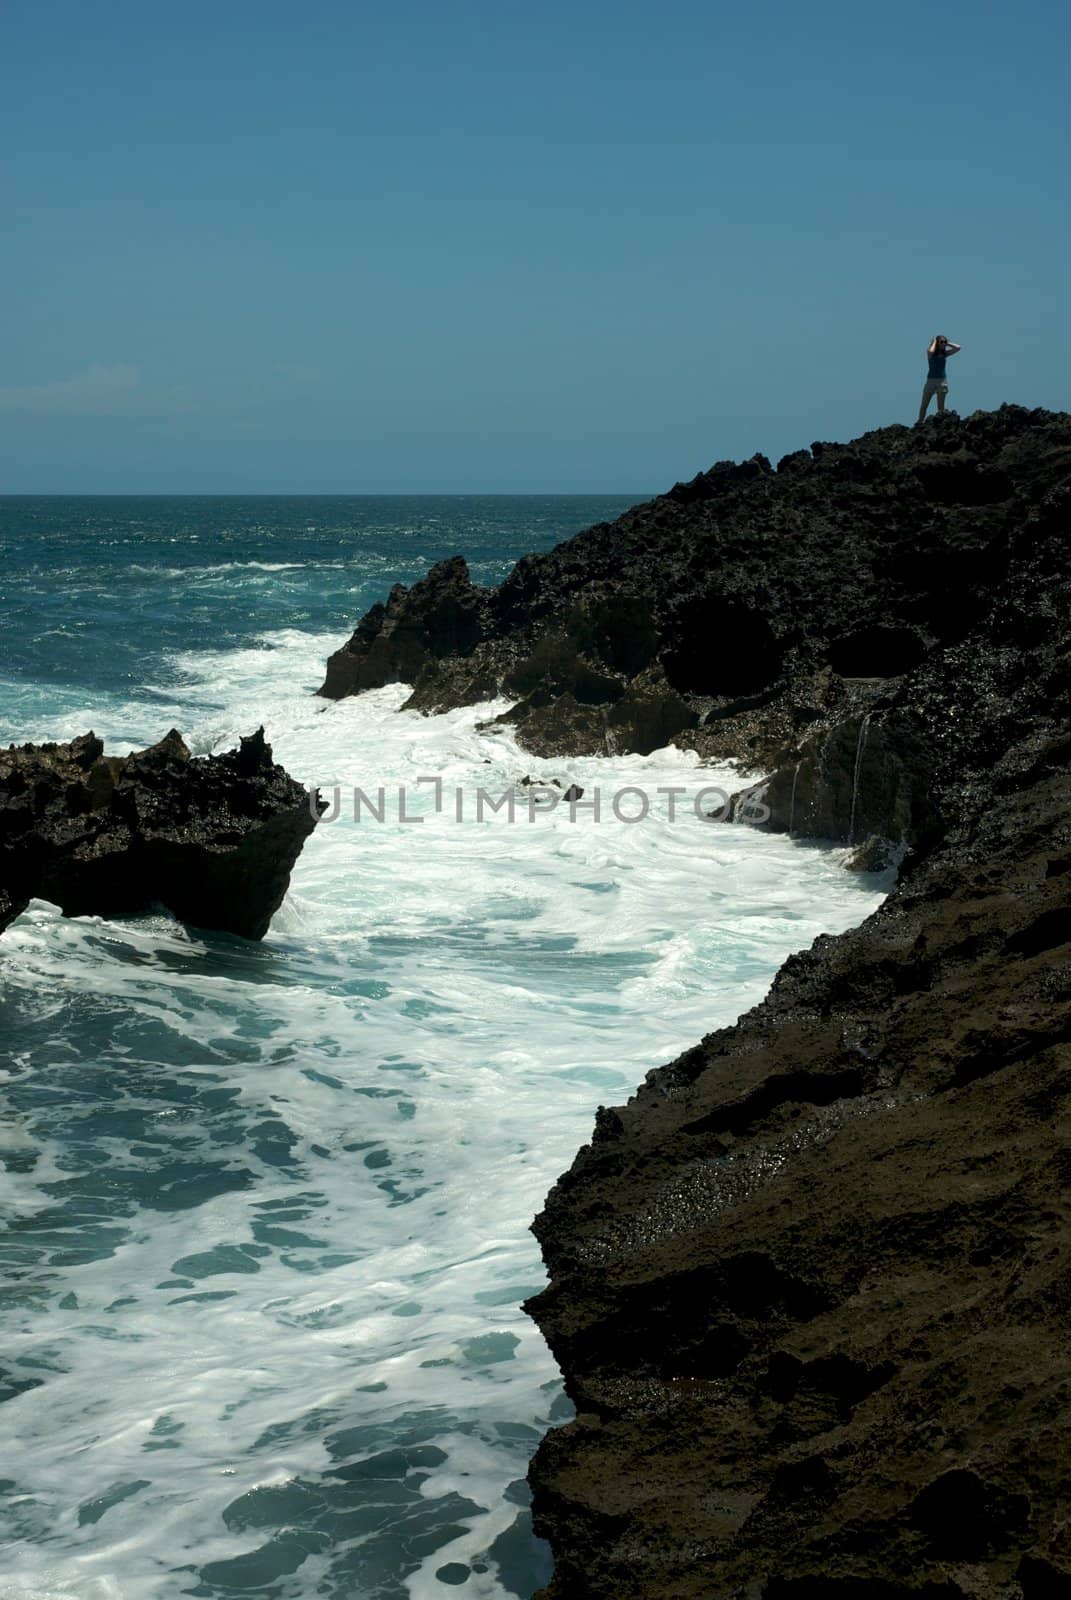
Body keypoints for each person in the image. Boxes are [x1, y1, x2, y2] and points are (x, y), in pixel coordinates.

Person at [917, 334, 961, 422]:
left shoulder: (945, 354)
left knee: (940, 406)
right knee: (924, 404)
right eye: (941, 342)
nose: (943, 343)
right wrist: (934, 342)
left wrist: (947, 343)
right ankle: (920, 421)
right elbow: (930, 351)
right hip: (930, 381)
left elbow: (958, 348)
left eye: (944, 342)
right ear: (937, 343)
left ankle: (940, 423)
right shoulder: (931, 354)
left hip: (942, 381)